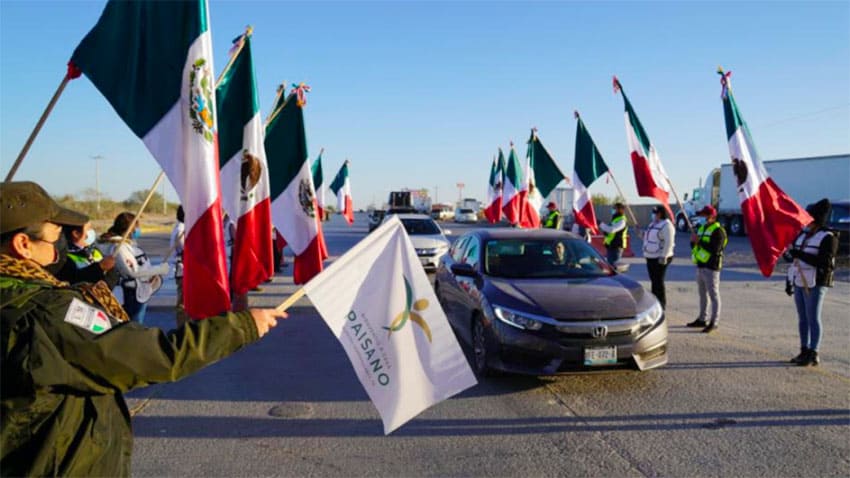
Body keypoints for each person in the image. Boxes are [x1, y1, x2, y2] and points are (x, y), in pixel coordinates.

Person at [0, 181, 285, 477]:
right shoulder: (48, 312)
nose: (59, 247)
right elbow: (156, 355)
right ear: (22, 245)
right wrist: (242, 326)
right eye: (54, 237)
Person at [785, 198, 838, 366]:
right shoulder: (802, 235)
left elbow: (825, 263)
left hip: (816, 283)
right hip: (800, 280)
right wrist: (789, 279)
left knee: (813, 317)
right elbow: (794, 260)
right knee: (802, 318)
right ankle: (804, 350)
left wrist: (799, 255)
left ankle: (814, 352)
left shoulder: (828, 237)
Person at [102, 212, 169, 324]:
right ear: (130, 228)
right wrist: (159, 269)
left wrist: (152, 275)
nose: (138, 229)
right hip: (130, 293)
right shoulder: (119, 247)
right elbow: (133, 272)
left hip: (139, 289)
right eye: (137, 226)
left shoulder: (128, 244)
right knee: (133, 326)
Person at [687, 205, 727, 333]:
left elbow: (715, 249)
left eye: (704, 215)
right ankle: (702, 319)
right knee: (702, 295)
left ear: (711, 216)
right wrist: (693, 241)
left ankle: (714, 322)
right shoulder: (701, 228)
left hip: (712, 267)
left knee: (713, 295)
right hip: (700, 265)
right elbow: (695, 245)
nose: (701, 218)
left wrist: (699, 242)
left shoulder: (719, 231)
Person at [49, 219, 120, 288]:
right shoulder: (62, 258)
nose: (91, 231)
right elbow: (73, 280)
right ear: (76, 233)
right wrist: (99, 268)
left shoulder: (93, 250)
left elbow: (111, 276)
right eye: (88, 228)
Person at [642, 206, 676, 309]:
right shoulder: (653, 224)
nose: (653, 215)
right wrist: (640, 233)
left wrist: (664, 256)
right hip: (650, 256)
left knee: (658, 281)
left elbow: (669, 242)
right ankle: (655, 302)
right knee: (654, 281)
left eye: (655, 213)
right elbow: (648, 237)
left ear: (660, 214)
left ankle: (661, 304)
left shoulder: (666, 225)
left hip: (660, 257)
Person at [170, 205, 187, 327]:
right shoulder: (181, 231)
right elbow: (185, 250)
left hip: (185, 269)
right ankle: (182, 328)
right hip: (183, 270)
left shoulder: (182, 228)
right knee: (183, 303)